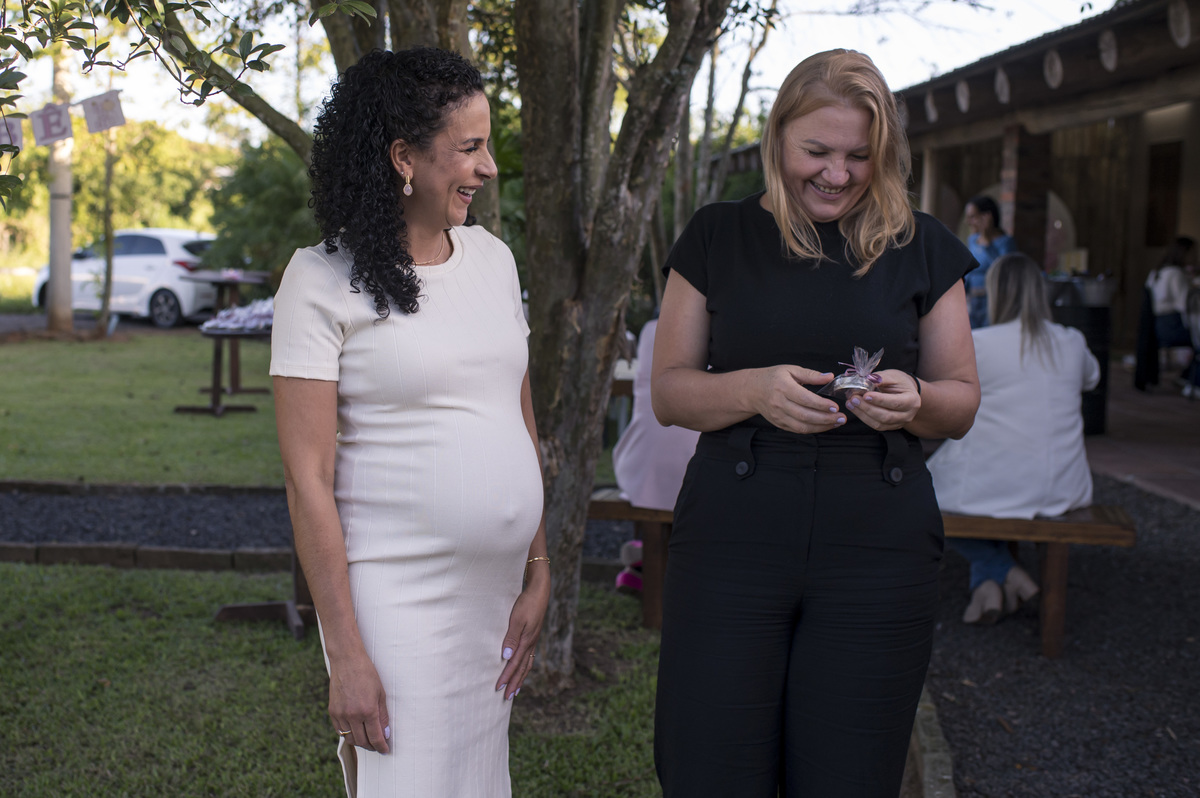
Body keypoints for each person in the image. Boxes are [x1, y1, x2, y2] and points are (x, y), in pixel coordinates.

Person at [650, 49, 981, 797]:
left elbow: (961, 399)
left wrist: (917, 400)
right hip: (735, 531)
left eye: (859, 156)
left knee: (849, 774)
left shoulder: (921, 245)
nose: (837, 173)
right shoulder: (716, 236)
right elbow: (669, 392)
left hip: (878, 540)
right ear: (778, 141)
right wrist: (754, 391)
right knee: (710, 766)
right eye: (817, 152)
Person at [269, 48, 549, 798]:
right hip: (395, 606)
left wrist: (539, 569)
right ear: (402, 157)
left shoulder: (492, 260)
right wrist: (348, 654)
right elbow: (308, 480)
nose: (489, 167)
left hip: (492, 606)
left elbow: (514, 415)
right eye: (469, 148)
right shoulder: (320, 280)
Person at [927, 253, 1100, 624]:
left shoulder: (980, 344)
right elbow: (1092, 379)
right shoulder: (1072, 341)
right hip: (1062, 486)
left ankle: (1000, 572)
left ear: (994, 293)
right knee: (977, 494)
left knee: (917, 497)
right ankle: (992, 584)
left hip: (993, 479)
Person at [611, 314, 701, 592]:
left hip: (643, 460)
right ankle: (656, 566)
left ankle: (640, 563)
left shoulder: (651, 329)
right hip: (698, 459)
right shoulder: (725, 329)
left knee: (655, 475)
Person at [1146, 236, 1196, 386]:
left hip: (1159, 325)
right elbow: (1184, 304)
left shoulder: (1158, 272)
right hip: (1172, 326)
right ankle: (1193, 381)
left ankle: (1188, 377)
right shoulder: (1175, 274)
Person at [963, 194, 1017, 328]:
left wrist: (987, 242)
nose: (969, 222)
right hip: (972, 301)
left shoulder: (1006, 242)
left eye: (973, 217)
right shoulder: (972, 240)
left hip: (993, 301)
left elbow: (1003, 269)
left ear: (987, 216)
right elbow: (970, 269)